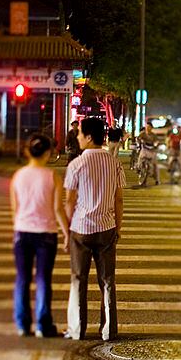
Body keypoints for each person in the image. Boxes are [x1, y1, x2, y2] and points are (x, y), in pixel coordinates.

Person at [63, 117, 125, 341]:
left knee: (78, 279)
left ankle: (77, 329)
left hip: (80, 229)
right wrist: (118, 227)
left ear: (89, 137)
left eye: (80, 133)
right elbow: (119, 199)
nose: (78, 137)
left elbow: (69, 201)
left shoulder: (76, 164)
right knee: (107, 280)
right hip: (107, 228)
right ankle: (108, 330)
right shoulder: (114, 163)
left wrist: (68, 230)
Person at [10, 133, 70, 337]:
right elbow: (57, 209)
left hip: (22, 232)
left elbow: (15, 209)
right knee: (43, 279)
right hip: (46, 234)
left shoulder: (18, 176)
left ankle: (22, 324)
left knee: (22, 279)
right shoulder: (52, 176)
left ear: (27, 151)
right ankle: (43, 326)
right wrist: (67, 233)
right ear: (48, 152)